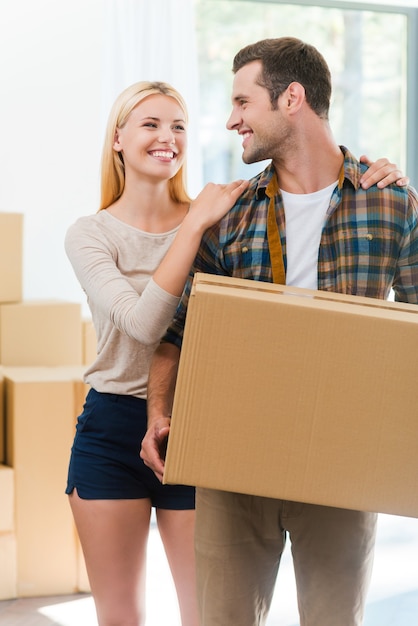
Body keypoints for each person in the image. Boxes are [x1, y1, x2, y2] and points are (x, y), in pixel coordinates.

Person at [140, 38, 418, 626]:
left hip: (342, 464)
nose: (230, 119)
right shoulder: (231, 213)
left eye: (243, 101)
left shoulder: (390, 205)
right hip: (234, 457)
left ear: (292, 98)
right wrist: (158, 411)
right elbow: (179, 331)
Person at [64, 80, 250, 626]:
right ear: (118, 138)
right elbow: (144, 326)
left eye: (178, 126)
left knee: (207, 615)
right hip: (110, 430)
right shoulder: (91, 235)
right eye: (151, 124)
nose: (167, 138)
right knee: (120, 619)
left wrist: (378, 170)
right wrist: (194, 225)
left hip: (197, 425)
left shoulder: (220, 222)